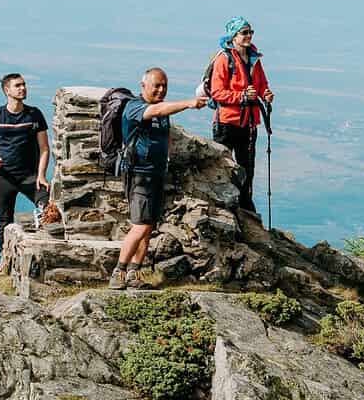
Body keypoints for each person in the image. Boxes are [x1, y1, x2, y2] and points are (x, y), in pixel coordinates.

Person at [109, 68, 207, 289]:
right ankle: (119, 272)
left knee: (149, 226)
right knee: (141, 225)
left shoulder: (162, 114)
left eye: (164, 86)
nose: (161, 90)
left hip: (156, 173)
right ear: (144, 86)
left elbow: (165, 132)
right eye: (157, 86)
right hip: (139, 175)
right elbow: (157, 110)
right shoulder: (134, 107)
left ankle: (134, 273)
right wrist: (189, 103)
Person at [0, 73, 51, 252]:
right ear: (6, 90)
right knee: (4, 223)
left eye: (24, 85)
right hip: (4, 177)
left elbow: (44, 148)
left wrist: (41, 175)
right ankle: (5, 265)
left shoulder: (34, 114)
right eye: (17, 85)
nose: (23, 88)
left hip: (30, 176)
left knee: (48, 210)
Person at [208, 16, 273, 213]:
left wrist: (266, 94)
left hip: (249, 123)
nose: (249, 36)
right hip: (227, 122)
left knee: (247, 168)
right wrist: (242, 96)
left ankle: (245, 206)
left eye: (250, 32)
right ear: (233, 36)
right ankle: (224, 206)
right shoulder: (224, 59)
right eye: (244, 32)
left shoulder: (254, 59)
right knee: (224, 167)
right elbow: (217, 93)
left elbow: (261, 84)